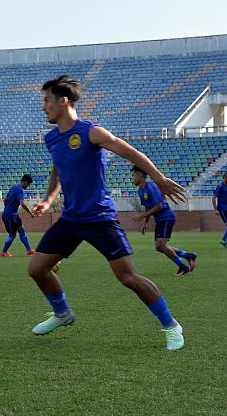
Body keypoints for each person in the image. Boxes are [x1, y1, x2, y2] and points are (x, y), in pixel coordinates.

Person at [27, 75, 187, 350]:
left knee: (128, 277)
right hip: (71, 218)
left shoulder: (92, 132)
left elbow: (131, 153)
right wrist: (48, 199)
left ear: (63, 101)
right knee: (37, 269)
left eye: (46, 100)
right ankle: (62, 314)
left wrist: (158, 178)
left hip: (99, 218)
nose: (44, 107)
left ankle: (171, 326)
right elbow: (58, 170)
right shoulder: (52, 138)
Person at [131, 165, 196, 275]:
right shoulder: (140, 191)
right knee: (159, 247)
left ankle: (183, 267)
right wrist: (145, 223)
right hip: (160, 219)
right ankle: (188, 255)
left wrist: (142, 216)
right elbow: (148, 207)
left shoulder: (151, 187)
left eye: (133, 176)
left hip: (166, 217)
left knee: (161, 245)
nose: (132, 178)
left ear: (140, 175)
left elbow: (159, 206)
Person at [0, 174, 35, 256]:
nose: (28, 186)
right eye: (28, 184)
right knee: (12, 234)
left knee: (21, 229)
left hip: (13, 214)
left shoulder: (14, 186)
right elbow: (22, 204)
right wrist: (30, 213)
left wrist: (7, 208)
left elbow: (5, 199)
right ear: (26, 181)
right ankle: (4, 252)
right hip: (10, 216)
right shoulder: (20, 189)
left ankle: (29, 249)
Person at [213, 171, 227, 248]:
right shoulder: (220, 186)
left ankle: (224, 240)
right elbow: (214, 197)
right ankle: (223, 240)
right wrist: (215, 209)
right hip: (222, 208)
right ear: (225, 178)